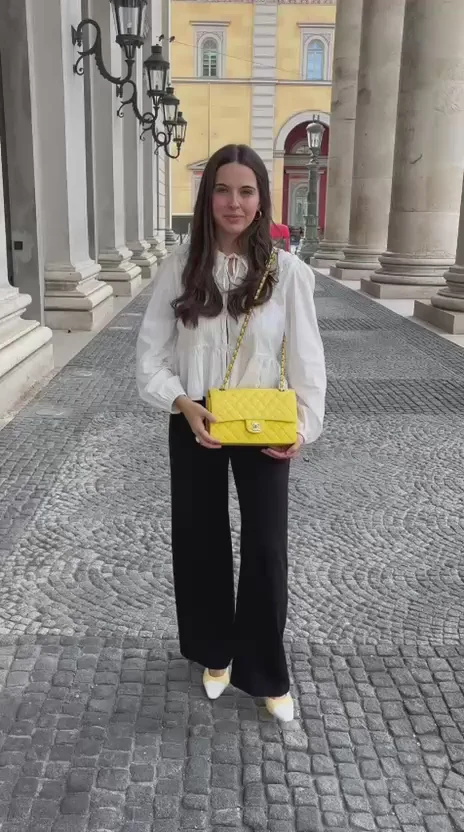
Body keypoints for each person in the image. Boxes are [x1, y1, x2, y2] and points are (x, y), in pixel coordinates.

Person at [136, 144, 326, 722]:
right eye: (223, 190)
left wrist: (302, 427)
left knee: (266, 547)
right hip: (196, 417)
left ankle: (266, 671)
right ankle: (214, 651)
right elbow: (150, 355)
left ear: (261, 199)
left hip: (264, 420)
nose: (234, 203)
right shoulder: (181, 265)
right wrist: (182, 405)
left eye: (246, 191)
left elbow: (308, 359)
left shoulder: (287, 273)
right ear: (208, 196)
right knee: (200, 540)